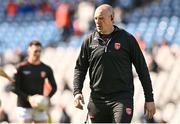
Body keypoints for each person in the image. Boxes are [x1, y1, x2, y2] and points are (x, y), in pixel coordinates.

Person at [73, 4, 156, 123]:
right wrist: (77, 92)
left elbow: (142, 69)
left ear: (112, 18)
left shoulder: (127, 39)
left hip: (121, 98)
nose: (97, 21)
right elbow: (80, 68)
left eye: (101, 18)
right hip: (97, 100)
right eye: (96, 18)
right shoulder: (89, 41)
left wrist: (149, 99)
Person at [13, 41, 57, 123]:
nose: (38, 53)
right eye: (35, 51)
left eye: (39, 51)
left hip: (39, 106)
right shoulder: (20, 68)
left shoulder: (46, 68)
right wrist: (29, 98)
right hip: (24, 107)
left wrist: (46, 98)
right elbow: (14, 88)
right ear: (29, 51)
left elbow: (54, 87)